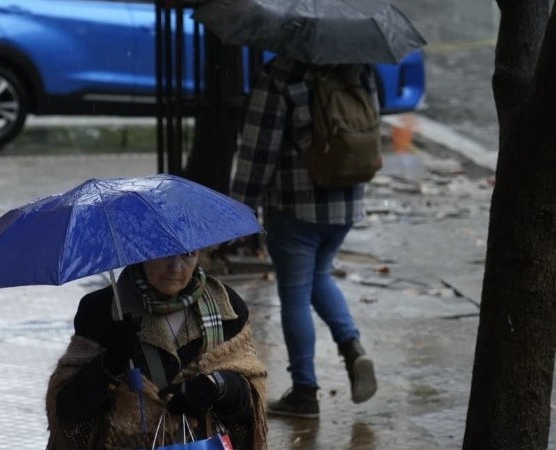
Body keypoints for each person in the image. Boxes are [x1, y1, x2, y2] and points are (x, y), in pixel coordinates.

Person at [230, 55, 378, 419]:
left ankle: (304, 390)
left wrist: (240, 210)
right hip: (346, 201)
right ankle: (351, 347)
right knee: (319, 276)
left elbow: (258, 150)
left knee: (295, 294)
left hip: (295, 206)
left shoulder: (281, 74)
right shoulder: (356, 66)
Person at [45, 250, 268, 449]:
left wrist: (217, 385)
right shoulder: (102, 310)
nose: (176, 267)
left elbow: (249, 406)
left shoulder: (227, 307)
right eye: (165, 253)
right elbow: (69, 410)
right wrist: (109, 365)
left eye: (188, 254)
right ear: (141, 251)